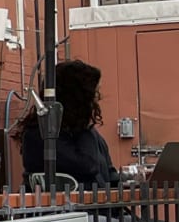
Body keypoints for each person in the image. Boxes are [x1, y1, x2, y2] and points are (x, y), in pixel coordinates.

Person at [18, 59, 118, 188]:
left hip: (101, 204)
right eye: (93, 95)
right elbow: (87, 164)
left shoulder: (89, 133)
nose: (95, 100)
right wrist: (84, 126)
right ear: (78, 99)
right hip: (70, 206)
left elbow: (109, 172)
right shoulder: (42, 135)